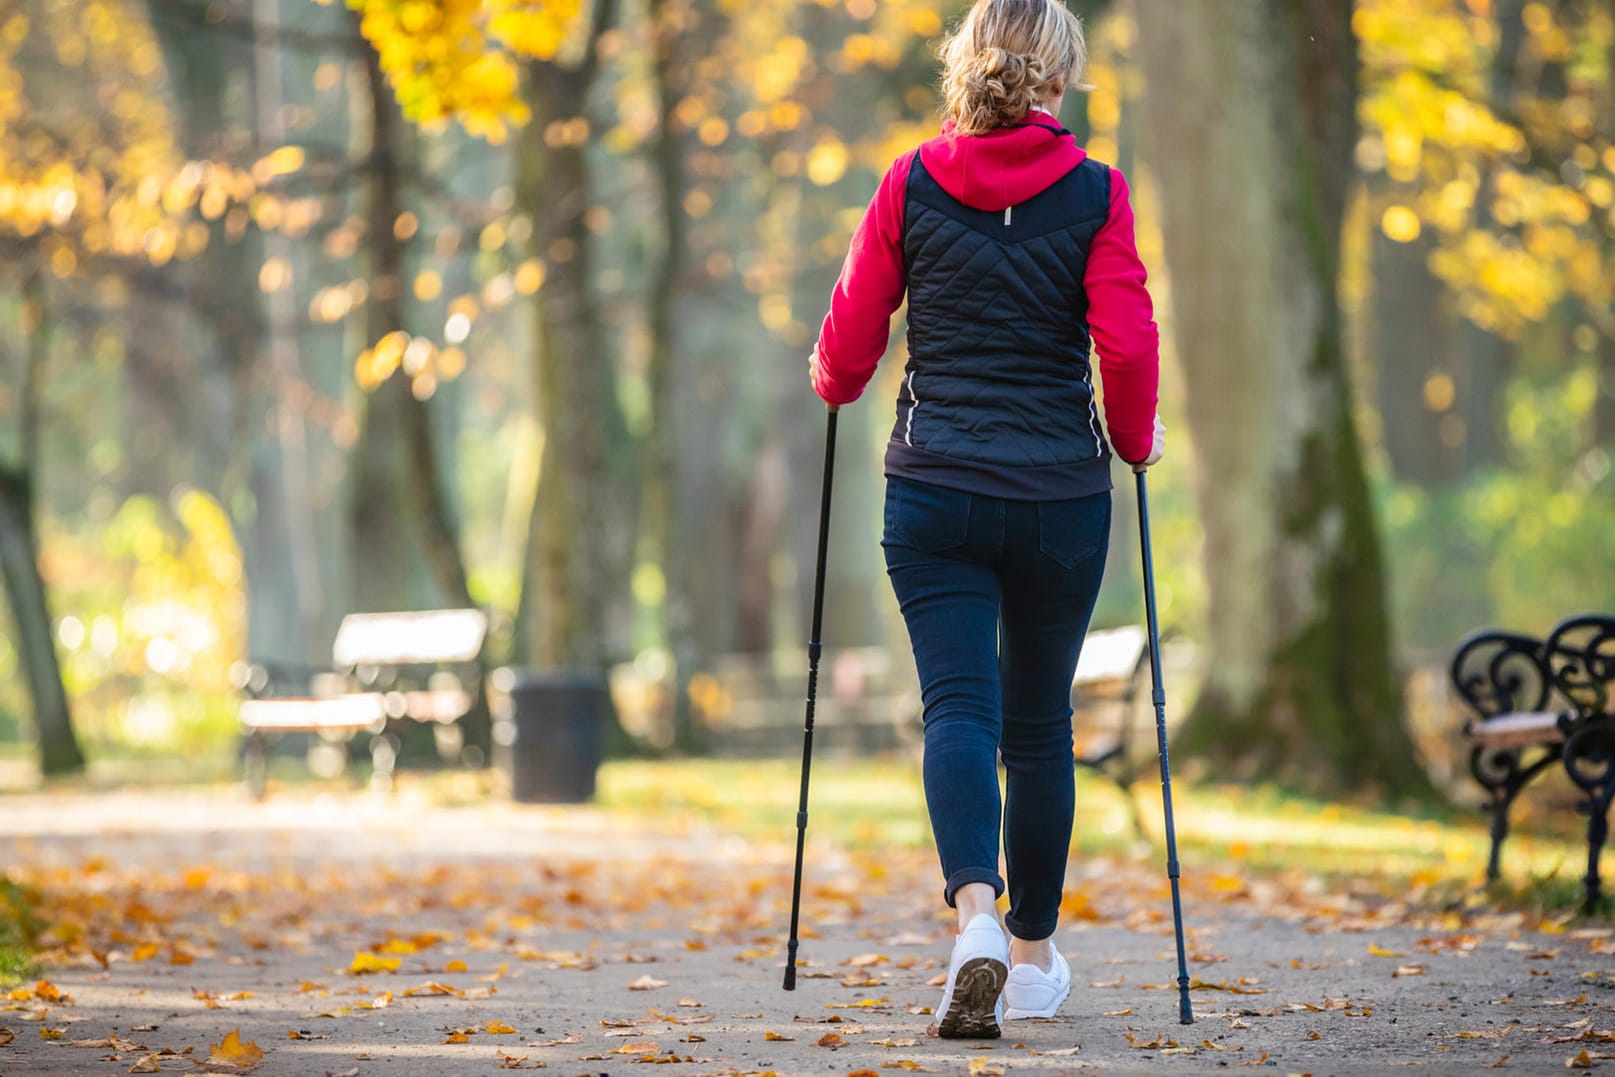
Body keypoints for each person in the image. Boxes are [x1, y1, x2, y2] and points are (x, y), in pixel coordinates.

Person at [808, 0, 1166, 1040]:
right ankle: (1033, 951)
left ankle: (974, 915)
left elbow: (852, 328)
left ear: (965, 70)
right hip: (1058, 496)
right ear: (1060, 80)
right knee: (1039, 724)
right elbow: (1129, 346)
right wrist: (1135, 440)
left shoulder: (912, 180)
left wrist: (834, 380)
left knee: (957, 709)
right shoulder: (1098, 193)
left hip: (935, 491)